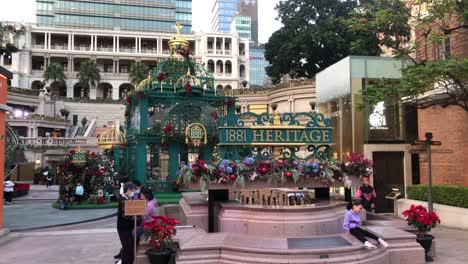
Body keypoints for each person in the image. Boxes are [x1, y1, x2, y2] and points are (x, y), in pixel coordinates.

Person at [115, 182, 138, 264]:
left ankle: (124, 261)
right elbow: (125, 215)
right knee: (128, 248)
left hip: (128, 227)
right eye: (133, 190)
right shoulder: (123, 200)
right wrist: (134, 216)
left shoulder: (127, 199)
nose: (134, 192)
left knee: (128, 248)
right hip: (124, 228)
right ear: (128, 190)